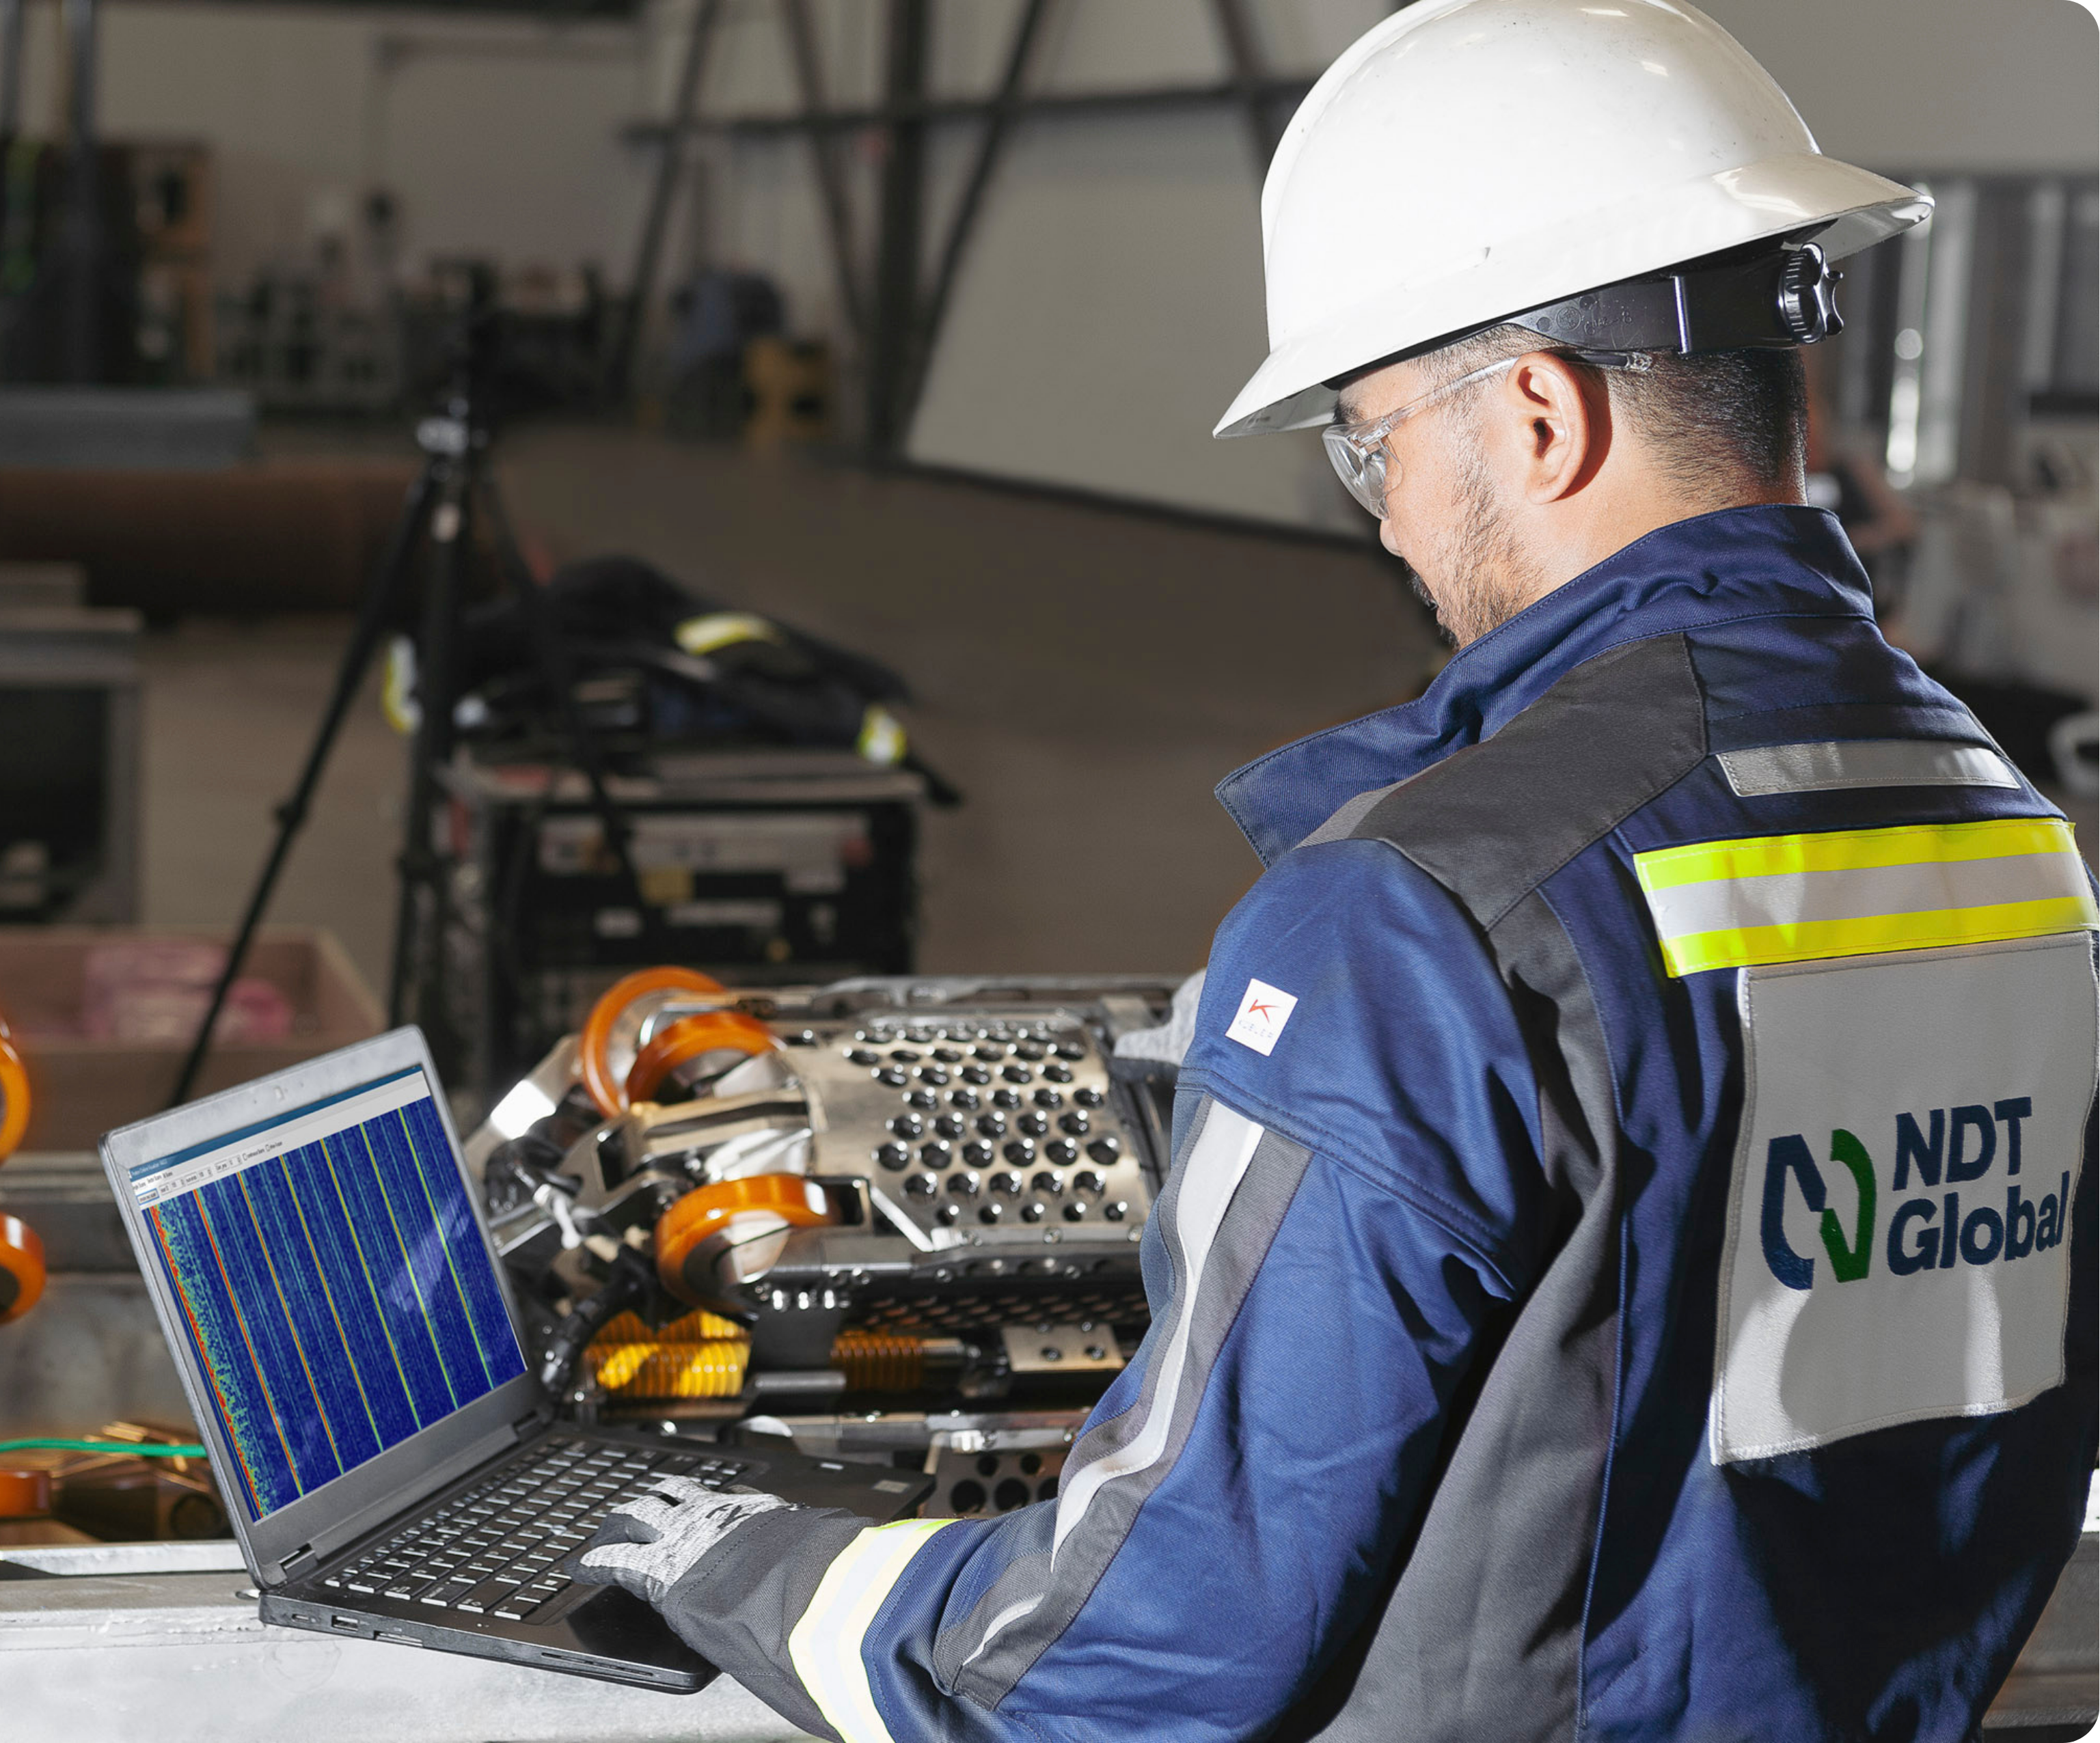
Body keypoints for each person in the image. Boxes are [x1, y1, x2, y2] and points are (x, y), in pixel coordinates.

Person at [571, 3, 2100, 1738]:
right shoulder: (2005, 835)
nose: (1378, 515)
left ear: (1533, 416)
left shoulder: (1425, 915)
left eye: (1369, 443)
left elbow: (1132, 1666)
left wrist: (758, 1566)